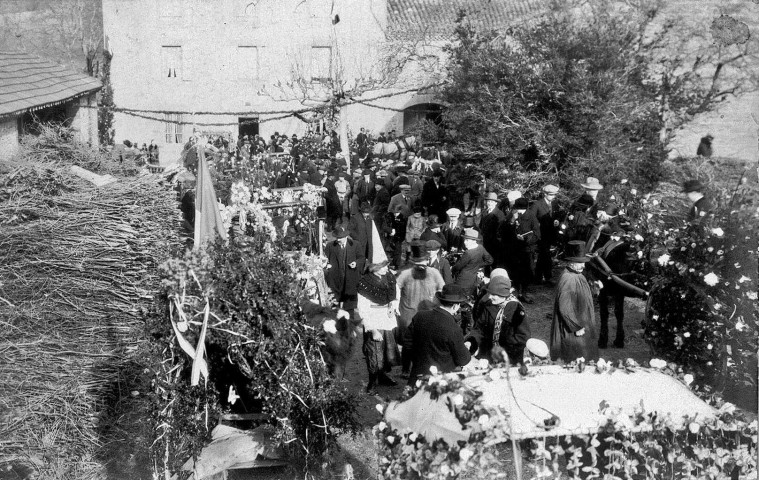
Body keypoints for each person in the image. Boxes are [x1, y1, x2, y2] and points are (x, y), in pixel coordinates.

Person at [356, 231, 399, 393]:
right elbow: (363, 309)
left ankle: (382, 375)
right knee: (374, 351)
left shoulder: (389, 278)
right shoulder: (365, 284)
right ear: (374, 268)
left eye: (386, 265)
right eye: (383, 266)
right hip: (374, 320)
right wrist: (372, 329)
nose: (386, 268)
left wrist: (393, 306)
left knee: (387, 351)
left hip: (387, 319)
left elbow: (396, 294)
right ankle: (372, 380)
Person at [395, 242, 446, 376]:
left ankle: (422, 368)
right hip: (408, 314)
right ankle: (406, 369)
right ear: (413, 262)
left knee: (425, 343)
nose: (421, 265)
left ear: (427, 260)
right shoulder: (405, 274)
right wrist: (395, 305)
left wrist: (439, 305)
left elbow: (442, 290)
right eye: (418, 263)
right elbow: (395, 289)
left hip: (428, 314)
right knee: (408, 343)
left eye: (422, 262)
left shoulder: (435, 273)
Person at [407, 284, 472, 384]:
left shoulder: (420, 316)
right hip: (440, 381)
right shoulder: (453, 328)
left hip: (417, 375)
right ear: (455, 306)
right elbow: (463, 360)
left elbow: (407, 342)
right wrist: (466, 348)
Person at [549, 241, 599, 363]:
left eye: (584, 262)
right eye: (580, 263)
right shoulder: (568, 279)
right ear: (571, 262)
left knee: (584, 357)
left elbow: (582, 295)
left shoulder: (577, 274)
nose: (584, 266)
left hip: (582, 323)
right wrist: (576, 327)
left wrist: (595, 288)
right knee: (574, 357)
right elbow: (565, 307)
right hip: (573, 330)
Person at [464, 276, 529, 366]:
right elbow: (479, 328)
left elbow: (522, 337)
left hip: (509, 358)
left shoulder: (516, 309)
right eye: (489, 293)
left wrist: (506, 352)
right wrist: (471, 341)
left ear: (503, 295)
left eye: (494, 294)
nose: (490, 297)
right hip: (489, 354)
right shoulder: (488, 306)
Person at [502, 197, 540, 304]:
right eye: (517, 209)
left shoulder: (532, 217)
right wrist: (512, 221)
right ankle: (515, 292)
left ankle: (524, 293)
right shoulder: (511, 215)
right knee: (514, 272)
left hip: (526, 250)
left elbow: (537, 234)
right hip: (514, 249)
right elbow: (503, 230)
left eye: (520, 210)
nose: (518, 212)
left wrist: (526, 239)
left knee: (527, 272)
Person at [324, 226, 365, 314]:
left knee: (349, 307)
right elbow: (324, 259)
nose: (338, 240)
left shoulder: (355, 245)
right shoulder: (330, 246)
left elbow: (361, 258)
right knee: (334, 304)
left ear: (346, 236)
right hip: (335, 279)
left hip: (350, 279)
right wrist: (326, 264)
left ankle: (350, 324)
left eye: (340, 238)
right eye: (337, 237)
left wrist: (356, 263)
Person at [529, 184, 561, 285]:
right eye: (551, 195)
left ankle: (538, 277)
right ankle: (547, 277)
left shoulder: (555, 203)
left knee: (543, 256)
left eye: (554, 195)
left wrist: (557, 221)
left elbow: (557, 216)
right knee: (545, 255)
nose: (553, 197)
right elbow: (532, 218)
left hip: (551, 234)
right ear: (545, 194)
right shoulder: (537, 204)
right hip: (541, 235)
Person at [451, 228, 494, 296]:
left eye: (467, 240)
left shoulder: (468, 253)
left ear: (474, 241)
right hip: (473, 281)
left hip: (463, 281)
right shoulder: (480, 248)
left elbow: (458, 267)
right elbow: (490, 260)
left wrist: (451, 268)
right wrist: (478, 265)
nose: (465, 242)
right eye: (465, 239)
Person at [480, 192, 507, 269]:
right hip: (485, 242)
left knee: (494, 262)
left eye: (491, 201)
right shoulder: (484, 212)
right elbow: (481, 226)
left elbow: (500, 230)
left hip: (494, 243)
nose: (489, 203)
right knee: (486, 261)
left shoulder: (499, 214)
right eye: (488, 201)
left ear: (495, 203)